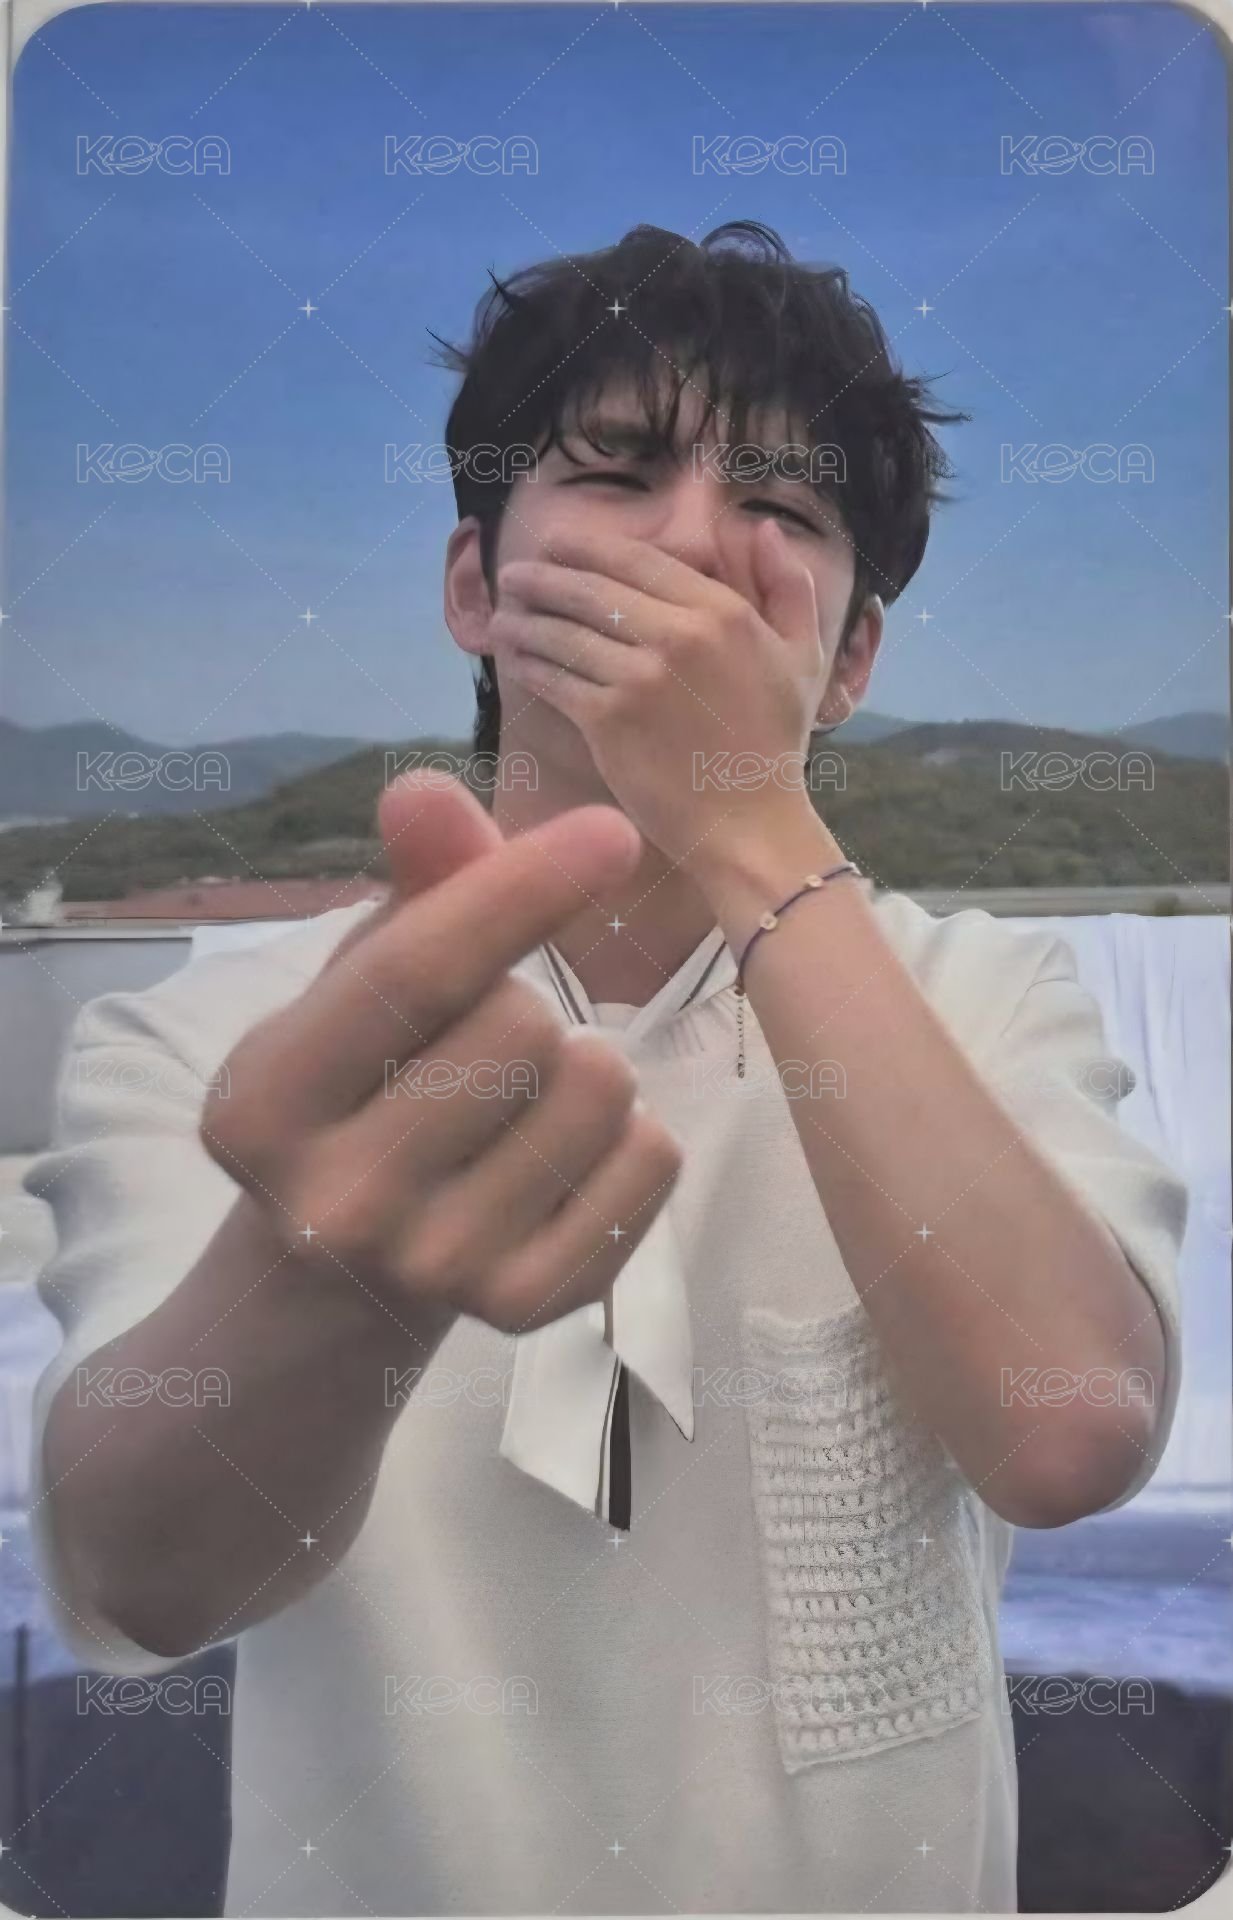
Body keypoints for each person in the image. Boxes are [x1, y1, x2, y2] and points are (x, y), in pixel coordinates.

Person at [26, 221, 1188, 1915]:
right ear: (474, 586)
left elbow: (1068, 1432)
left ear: (849, 660)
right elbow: (138, 1582)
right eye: (617, 472)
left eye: (782, 507)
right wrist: (327, 1276)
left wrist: (746, 819)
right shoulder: (222, 1036)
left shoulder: (982, 997)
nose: (697, 541)